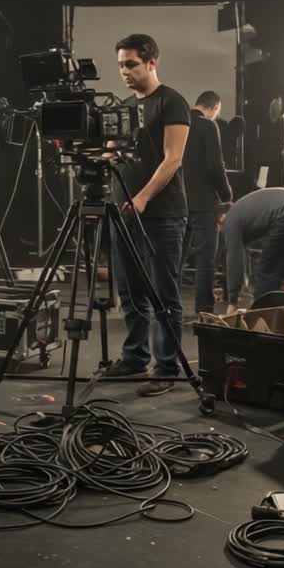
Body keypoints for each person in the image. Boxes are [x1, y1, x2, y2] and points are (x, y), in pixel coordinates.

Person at [104, 34, 190, 397]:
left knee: (163, 294)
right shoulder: (124, 106)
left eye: (131, 64)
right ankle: (135, 357)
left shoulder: (172, 102)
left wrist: (142, 197)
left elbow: (173, 159)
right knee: (130, 290)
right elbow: (111, 153)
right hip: (123, 212)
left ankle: (166, 367)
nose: (124, 71)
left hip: (162, 214)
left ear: (152, 62)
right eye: (121, 65)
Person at [183, 90, 233, 315]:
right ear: (214, 108)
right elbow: (215, 165)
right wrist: (226, 195)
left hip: (176, 201)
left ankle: (167, 307)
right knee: (206, 259)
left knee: (175, 258)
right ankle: (204, 310)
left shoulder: (178, 123)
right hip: (203, 203)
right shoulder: (208, 126)